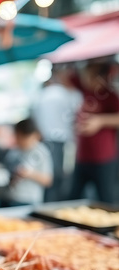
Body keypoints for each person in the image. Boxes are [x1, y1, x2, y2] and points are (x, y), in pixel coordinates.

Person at [69, 61, 119, 204]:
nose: (86, 79)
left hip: (104, 158)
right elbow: (70, 75)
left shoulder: (110, 96)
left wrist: (100, 121)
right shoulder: (85, 90)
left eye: (90, 76)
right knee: (73, 198)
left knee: (106, 199)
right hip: (82, 157)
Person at [31, 65, 83, 202]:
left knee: (50, 177)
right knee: (60, 179)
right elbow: (76, 119)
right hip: (62, 143)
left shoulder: (43, 95)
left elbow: (34, 118)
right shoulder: (69, 95)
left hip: (46, 141)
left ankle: (48, 207)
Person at [1, 118, 53, 206]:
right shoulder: (14, 151)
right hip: (9, 197)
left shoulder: (41, 152)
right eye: (18, 137)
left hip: (28, 200)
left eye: (23, 138)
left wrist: (29, 173)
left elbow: (48, 180)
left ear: (34, 136)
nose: (20, 141)